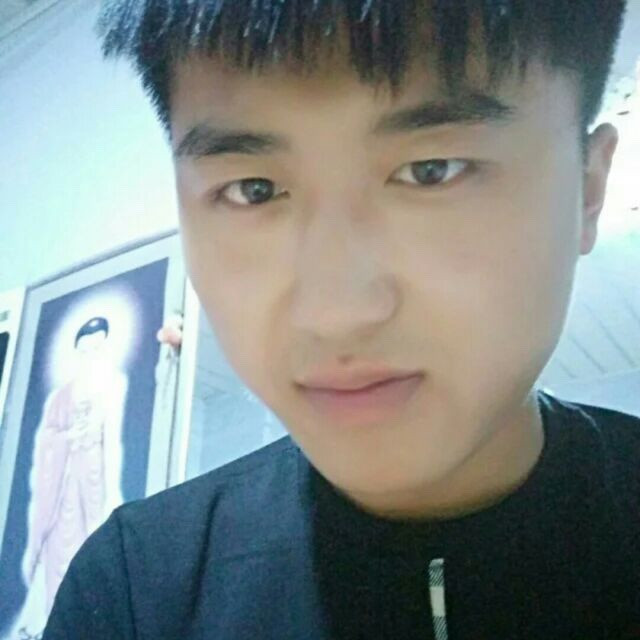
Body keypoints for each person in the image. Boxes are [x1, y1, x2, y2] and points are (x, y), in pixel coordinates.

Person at [44, 2, 639, 638]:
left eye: (431, 172)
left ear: (588, 189)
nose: (334, 314)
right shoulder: (136, 589)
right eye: (253, 189)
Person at [21, 317, 127, 622]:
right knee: (57, 555)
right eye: (86, 348)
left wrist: (111, 492)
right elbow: (48, 440)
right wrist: (68, 437)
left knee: (90, 554)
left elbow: (112, 443)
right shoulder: (61, 396)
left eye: (98, 347)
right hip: (62, 487)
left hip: (91, 485)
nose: (92, 354)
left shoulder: (113, 384)